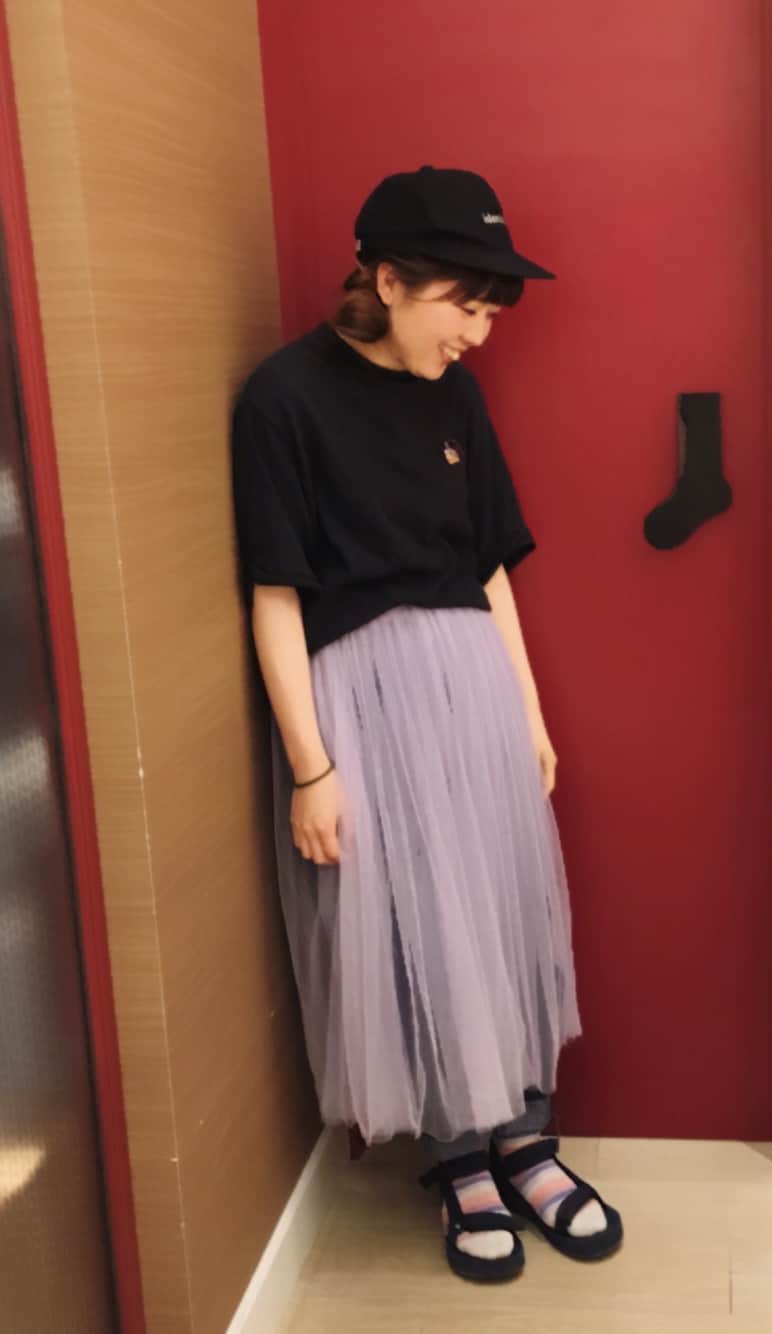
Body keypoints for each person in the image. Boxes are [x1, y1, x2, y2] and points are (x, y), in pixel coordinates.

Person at [231, 165, 622, 1282]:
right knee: (418, 920)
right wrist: (312, 768)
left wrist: (528, 713)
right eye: (464, 303)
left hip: (473, 683)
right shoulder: (282, 400)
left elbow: (489, 567)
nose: (478, 333)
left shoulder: (457, 395)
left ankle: (526, 1142)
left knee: (498, 904)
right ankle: (458, 1161)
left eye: (492, 310)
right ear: (387, 279)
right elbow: (275, 593)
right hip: (363, 699)